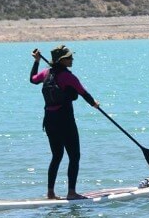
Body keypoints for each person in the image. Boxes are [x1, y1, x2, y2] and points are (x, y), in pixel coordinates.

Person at [30, 45, 99, 200]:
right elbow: (83, 93)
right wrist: (94, 103)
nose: (72, 59)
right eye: (69, 57)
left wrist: (36, 62)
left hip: (49, 121)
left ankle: (50, 193)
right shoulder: (68, 77)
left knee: (57, 156)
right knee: (74, 156)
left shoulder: (46, 73)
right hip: (65, 121)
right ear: (62, 60)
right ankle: (72, 192)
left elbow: (32, 80)